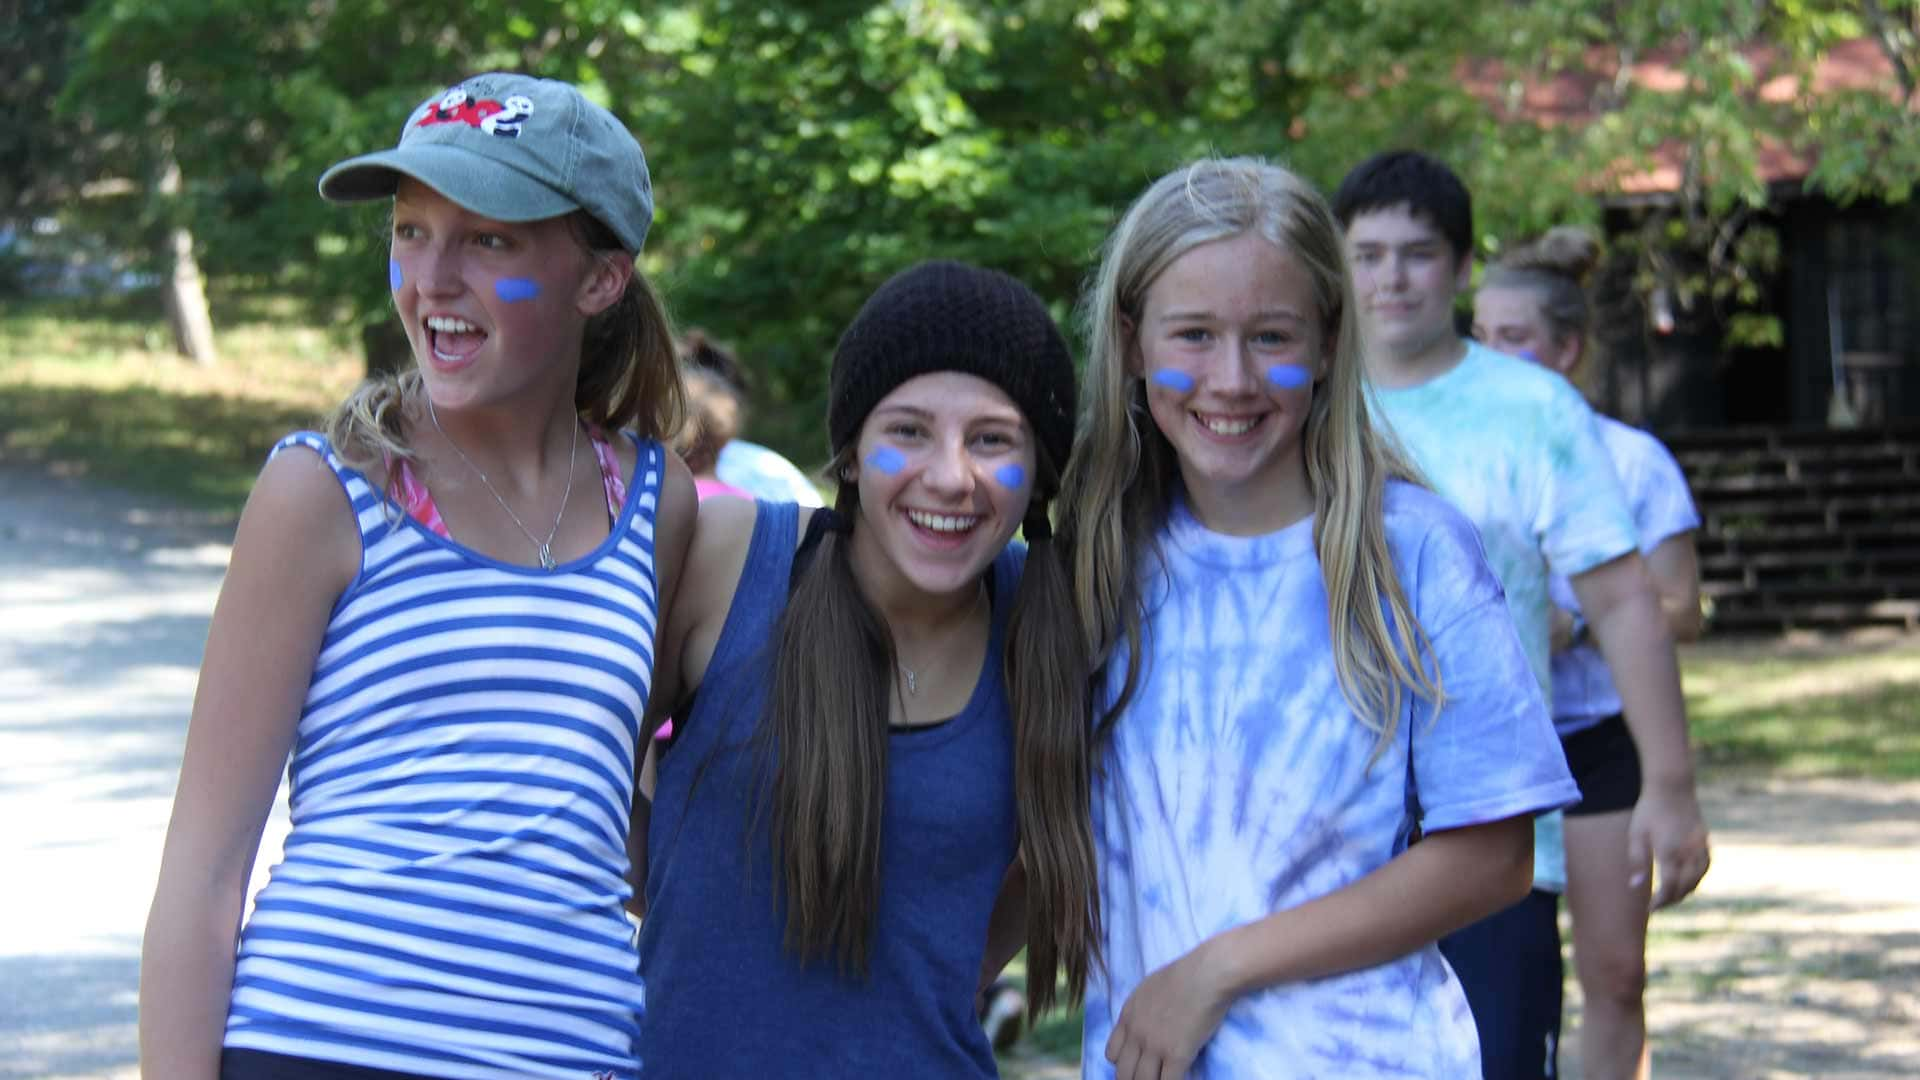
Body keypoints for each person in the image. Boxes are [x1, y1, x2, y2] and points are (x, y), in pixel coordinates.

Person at [137, 72, 695, 1080]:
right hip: (322, 1045)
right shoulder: (326, 492)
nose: (431, 279)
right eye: (410, 231)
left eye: (490, 241)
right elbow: (205, 870)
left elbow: (599, 802)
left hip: (572, 1055)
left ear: (601, 278)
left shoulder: (655, 502)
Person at [1059, 156, 1580, 1079]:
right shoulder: (1097, 563)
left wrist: (1216, 972)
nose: (1231, 378)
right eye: (1193, 335)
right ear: (1133, 341)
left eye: (1271, 336)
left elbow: (1495, 855)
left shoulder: (1412, 552)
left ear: (1331, 340)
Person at [634, 260, 1096, 1076]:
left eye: (993, 439)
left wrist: (935, 974)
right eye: (908, 431)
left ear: (1039, 476)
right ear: (850, 454)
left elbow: (1051, 862)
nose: (951, 476)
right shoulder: (730, 558)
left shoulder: (1052, 627)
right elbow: (589, 783)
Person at [1333, 149, 1711, 1079]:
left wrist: (1669, 784)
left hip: (1489, 829)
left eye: (1417, 254)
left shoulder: (1533, 408)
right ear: (1336, 262)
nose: (1391, 278)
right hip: (1327, 829)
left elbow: (1623, 599)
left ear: (1463, 268)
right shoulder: (1299, 403)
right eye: (1369, 253)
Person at [1474, 225, 1704, 1080]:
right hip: (1495, 750)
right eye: (1480, 337)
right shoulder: (1464, 452)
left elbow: (1681, 607)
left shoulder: (1632, 461)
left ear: (1567, 349)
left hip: (1599, 743)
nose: (1489, 357)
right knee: (1507, 986)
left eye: (1514, 340)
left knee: (1614, 975)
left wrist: (1577, 619)